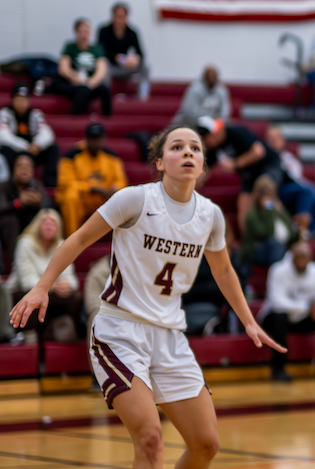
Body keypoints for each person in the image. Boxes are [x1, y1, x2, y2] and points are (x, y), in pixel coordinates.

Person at [10, 125, 283, 469]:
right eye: (177, 147)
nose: (187, 152)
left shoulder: (211, 215)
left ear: (203, 165)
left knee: (206, 444)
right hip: (120, 330)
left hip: (170, 335)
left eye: (195, 148)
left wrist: (248, 321)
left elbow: (225, 271)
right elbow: (79, 239)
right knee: (151, 439)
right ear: (158, 162)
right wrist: (41, 286)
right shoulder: (135, 199)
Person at [259, 241, 315, 381]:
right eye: (299, 256)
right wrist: (308, 307)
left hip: (303, 318)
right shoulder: (278, 270)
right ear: (292, 256)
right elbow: (277, 302)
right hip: (275, 318)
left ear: (311, 258)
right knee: (279, 318)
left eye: (305, 256)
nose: (302, 260)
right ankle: (278, 369)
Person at [10, 209, 83, 342]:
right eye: (45, 222)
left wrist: (67, 285)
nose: (49, 225)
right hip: (23, 292)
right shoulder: (25, 243)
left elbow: (72, 278)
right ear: (37, 225)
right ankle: (29, 336)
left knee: (75, 298)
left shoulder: (61, 245)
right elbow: (27, 281)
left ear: (58, 227)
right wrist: (52, 286)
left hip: (51, 293)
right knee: (31, 297)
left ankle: (64, 331)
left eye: (53, 223)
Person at [198, 116, 283, 230]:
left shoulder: (236, 133)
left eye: (207, 137)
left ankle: (285, 230)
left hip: (268, 166)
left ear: (215, 132)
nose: (207, 141)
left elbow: (258, 151)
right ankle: (248, 240)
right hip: (250, 174)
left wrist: (236, 163)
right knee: (243, 205)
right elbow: (205, 171)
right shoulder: (214, 147)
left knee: (265, 190)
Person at [57, 123, 127, 234]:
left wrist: (111, 189)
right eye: (93, 138)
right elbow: (67, 183)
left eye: (99, 138)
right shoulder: (71, 156)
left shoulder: (112, 157)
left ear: (104, 139)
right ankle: (71, 238)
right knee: (70, 196)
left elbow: (121, 183)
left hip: (104, 200)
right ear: (86, 139)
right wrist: (93, 187)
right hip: (83, 200)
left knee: (125, 197)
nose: (96, 142)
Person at [263, 126, 315, 233]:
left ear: (283, 140)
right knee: (307, 190)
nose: (274, 140)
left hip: (298, 190)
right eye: (270, 138)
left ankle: (314, 230)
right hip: (280, 190)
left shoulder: (290, 157)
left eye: (277, 137)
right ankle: (300, 229)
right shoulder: (266, 158)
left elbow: (299, 178)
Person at [0, 154, 53, 272]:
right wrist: (17, 203)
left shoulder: (37, 186)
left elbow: (50, 209)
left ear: (33, 171)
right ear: (13, 169)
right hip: (6, 232)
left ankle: (47, 266)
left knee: (46, 218)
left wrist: (39, 203)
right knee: (10, 220)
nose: (24, 169)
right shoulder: (4, 186)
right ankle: (17, 265)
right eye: (20, 166)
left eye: (28, 166)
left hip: (30, 228)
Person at [0, 82, 59, 187]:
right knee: (5, 149)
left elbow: (48, 133)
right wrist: (26, 147)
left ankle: (50, 182)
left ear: (29, 101)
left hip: (33, 152)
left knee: (53, 148)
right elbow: (3, 136)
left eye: (24, 99)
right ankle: (9, 183)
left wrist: (37, 145)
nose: (21, 103)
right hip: (15, 152)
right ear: (12, 100)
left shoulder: (36, 114)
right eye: (18, 99)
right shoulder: (4, 113)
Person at [52, 18, 112, 116]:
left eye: (86, 30)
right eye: (81, 31)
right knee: (82, 90)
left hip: (90, 83)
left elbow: (102, 69)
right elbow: (63, 68)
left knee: (105, 90)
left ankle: (108, 118)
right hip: (73, 83)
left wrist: (91, 82)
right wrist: (75, 78)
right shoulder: (70, 47)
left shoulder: (97, 48)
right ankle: (75, 118)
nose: (84, 34)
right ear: (76, 32)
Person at [240, 175, 298, 273]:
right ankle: (278, 275)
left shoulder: (279, 211)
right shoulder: (253, 215)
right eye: (264, 192)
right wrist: (268, 210)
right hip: (259, 251)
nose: (267, 197)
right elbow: (266, 233)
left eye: (270, 193)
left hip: (283, 247)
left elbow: (291, 234)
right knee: (274, 243)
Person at [98, 2, 150, 101]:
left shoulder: (132, 32)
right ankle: (106, 97)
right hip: (111, 66)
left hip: (126, 67)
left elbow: (141, 53)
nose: (120, 20)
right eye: (117, 16)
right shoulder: (104, 31)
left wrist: (135, 60)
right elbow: (100, 52)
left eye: (122, 16)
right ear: (112, 17)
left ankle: (143, 98)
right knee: (103, 65)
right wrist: (117, 57)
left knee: (145, 67)